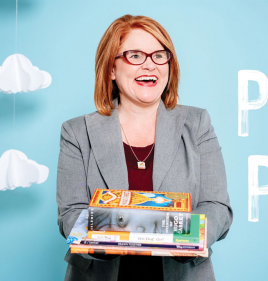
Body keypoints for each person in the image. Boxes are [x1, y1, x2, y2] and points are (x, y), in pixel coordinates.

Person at [56, 14, 233, 281]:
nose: (149, 65)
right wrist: (111, 235)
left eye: (159, 55)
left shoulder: (197, 124)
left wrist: (185, 238)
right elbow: (71, 213)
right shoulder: (77, 132)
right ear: (111, 69)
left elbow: (217, 206)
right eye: (135, 56)